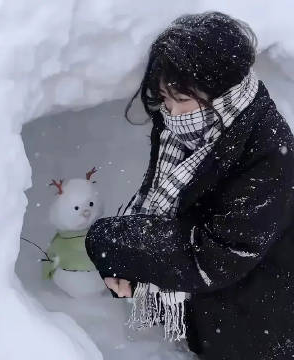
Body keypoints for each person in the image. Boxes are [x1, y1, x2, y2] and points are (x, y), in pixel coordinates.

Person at [85, 10, 294, 359]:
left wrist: (114, 244)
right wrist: (136, 270)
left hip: (258, 320)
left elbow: (214, 256)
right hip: (211, 307)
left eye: (182, 99)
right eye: (166, 99)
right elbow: (172, 213)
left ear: (224, 88)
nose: (173, 113)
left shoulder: (270, 151)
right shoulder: (191, 122)